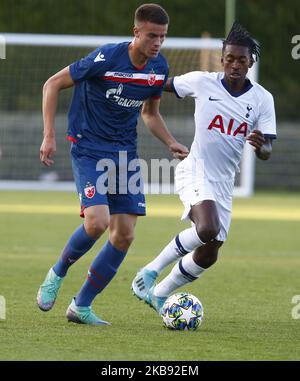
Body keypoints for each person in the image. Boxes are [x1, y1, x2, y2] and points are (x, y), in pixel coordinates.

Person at [37, 3, 189, 325]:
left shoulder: (158, 67)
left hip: (125, 154)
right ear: (136, 32)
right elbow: (52, 84)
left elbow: (150, 113)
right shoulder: (106, 58)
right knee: (97, 222)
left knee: (124, 235)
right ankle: (57, 273)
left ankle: (81, 306)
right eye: (152, 36)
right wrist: (48, 135)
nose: (158, 43)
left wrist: (171, 142)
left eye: (162, 37)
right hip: (88, 147)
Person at [132, 22, 277, 314]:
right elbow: (160, 84)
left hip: (223, 181)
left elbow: (267, 150)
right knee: (207, 226)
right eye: (230, 58)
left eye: (242, 60)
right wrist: (132, 84)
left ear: (251, 62)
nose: (235, 64)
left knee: (210, 252)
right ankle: (148, 273)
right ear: (222, 59)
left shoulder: (262, 99)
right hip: (194, 168)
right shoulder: (201, 81)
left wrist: (262, 146)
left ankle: (159, 294)